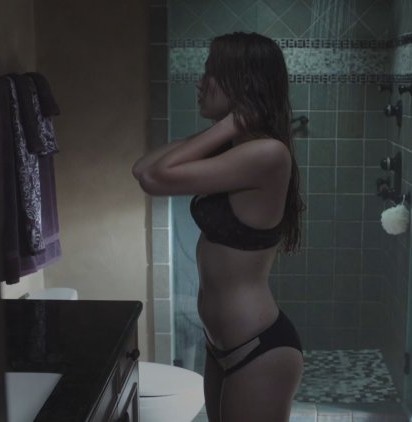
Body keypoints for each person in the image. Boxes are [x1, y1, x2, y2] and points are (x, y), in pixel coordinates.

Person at [132, 32, 305, 422]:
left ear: (242, 82)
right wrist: (229, 127)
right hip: (223, 343)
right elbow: (143, 168)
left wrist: (229, 126)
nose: (200, 82)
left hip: (257, 347)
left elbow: (155, 178)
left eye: (211, 72)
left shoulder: (268, 153)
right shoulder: (238, 148)